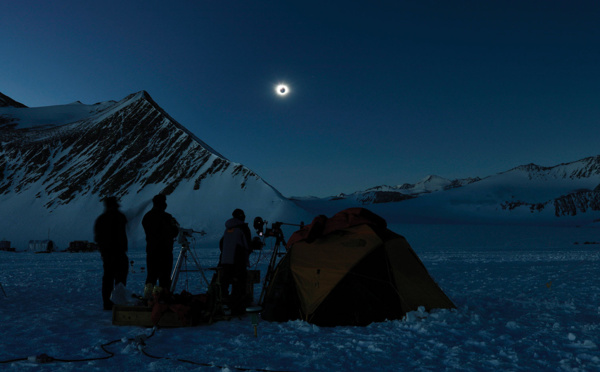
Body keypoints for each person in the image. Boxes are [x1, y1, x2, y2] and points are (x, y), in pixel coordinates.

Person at [94, 196, 129, 310]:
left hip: (107, 255)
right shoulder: (120, 217)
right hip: (119, 253)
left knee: (108, 279)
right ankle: (119, 301)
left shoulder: (101, 219)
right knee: (120, 279)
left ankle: (107, 303)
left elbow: (98, 238)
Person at [142, 194, 180, 293]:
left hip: (151, 251)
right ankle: (163, 300)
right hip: (165, 252)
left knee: (151, 277)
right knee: (165, 278)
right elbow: (174, 231)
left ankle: (149, 298)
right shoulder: (166, 217)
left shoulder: (147, 217)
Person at [218, 208, 252, 314]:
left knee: (225, 282)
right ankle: (237, 306)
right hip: (237, 260)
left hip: (225, 260)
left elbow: (221, 243)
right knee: (239, 282)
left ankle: (224, 303)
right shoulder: (243, 228)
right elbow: (247, 244)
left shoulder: (228, 229)